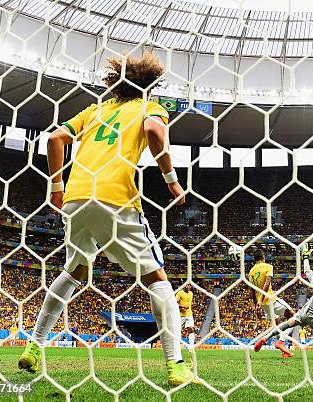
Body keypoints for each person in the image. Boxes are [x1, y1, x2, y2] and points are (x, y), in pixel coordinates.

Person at [17, 53, 196, 387]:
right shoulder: (150, 107)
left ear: (115, 83)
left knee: (74, 270)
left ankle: (34, 345)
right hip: (115, 198)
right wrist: (171, 179)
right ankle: (176, 365)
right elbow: (155, 132)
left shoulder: (95, 110)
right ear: (150, 86)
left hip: (76, 196)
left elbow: (55, 139)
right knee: (157, 278)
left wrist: (56, 187)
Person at [248, 248, 296, 358]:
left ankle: (283, 351)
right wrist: (261, 300)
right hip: (270, 299)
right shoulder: (268, 267)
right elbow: (267, 283)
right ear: (263, 257)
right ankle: (281, 341)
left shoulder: (251, 272)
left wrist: (257, 306)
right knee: (294, 316)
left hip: (263, 305)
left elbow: (253, 291)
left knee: (278, 322)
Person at [176, 284, 196, 349]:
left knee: (191, 329)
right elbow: (174, 303)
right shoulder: (179, 293)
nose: (188, 287)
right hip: (181, 316)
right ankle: (176, 345)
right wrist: (182, 307)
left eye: (189, 286)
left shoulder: (191, 293)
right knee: (178, 331)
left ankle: (191, 346)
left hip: (189, 314)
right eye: (187, 285)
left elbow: (189, 303)